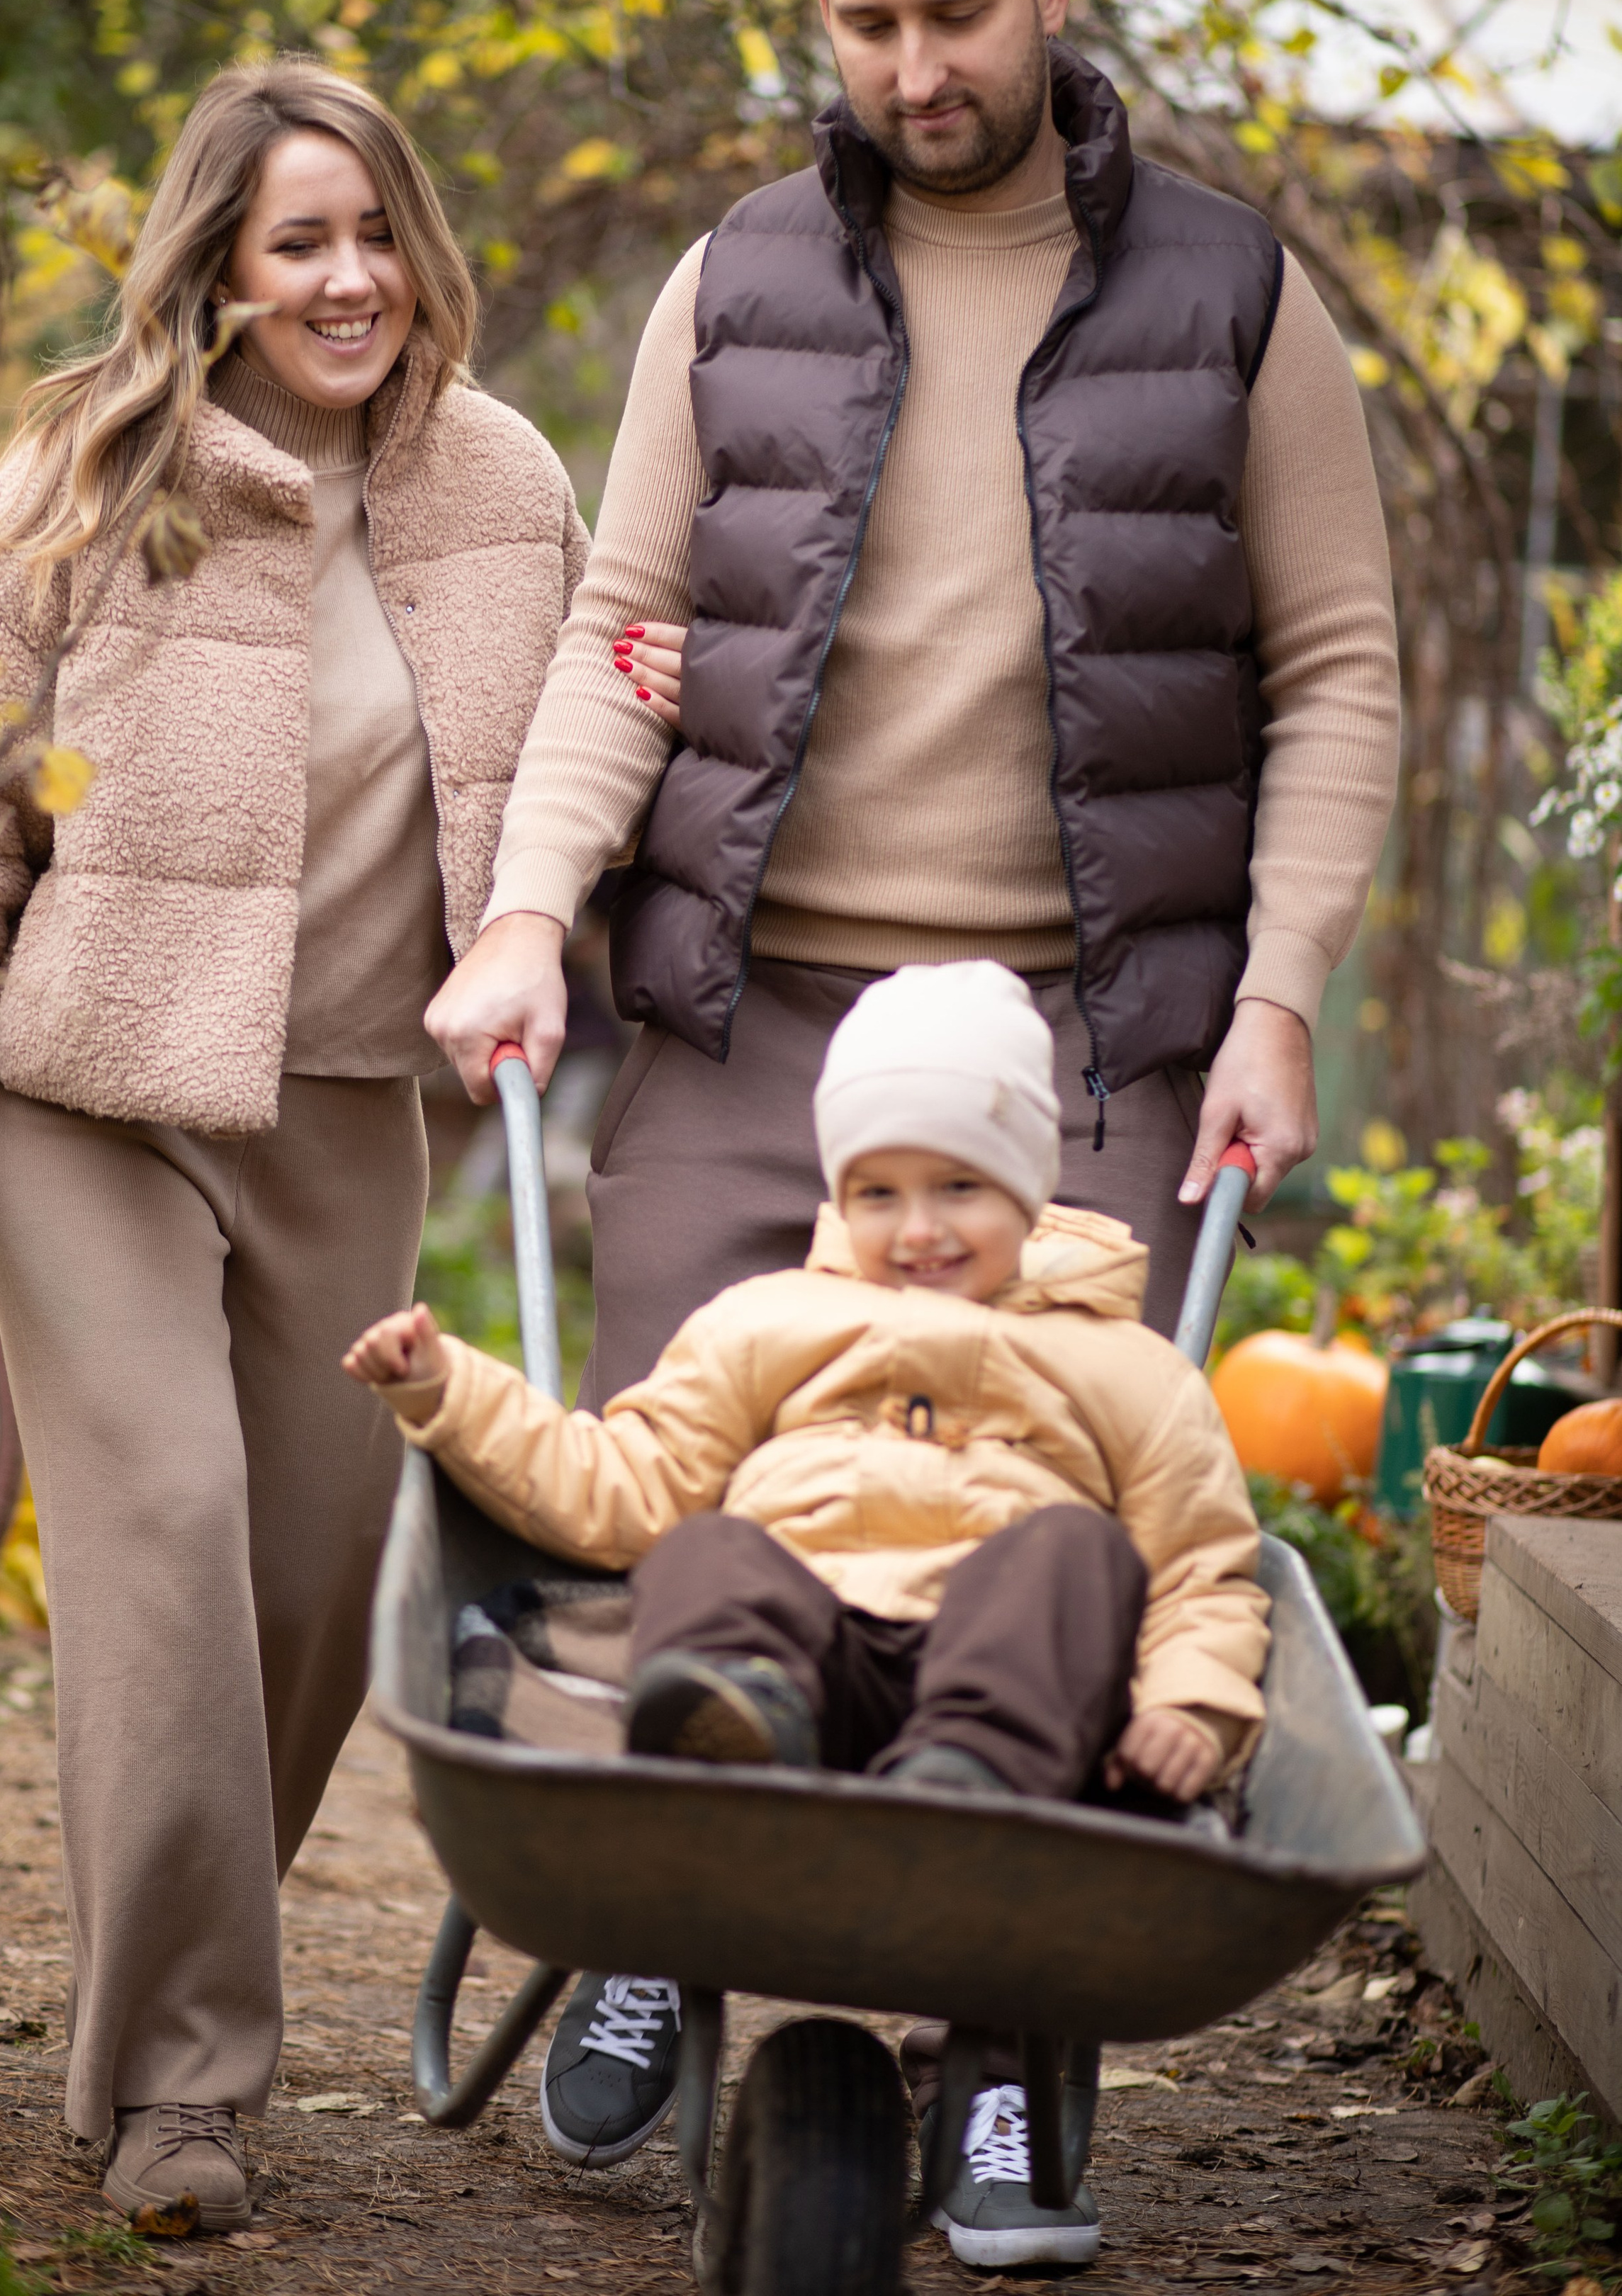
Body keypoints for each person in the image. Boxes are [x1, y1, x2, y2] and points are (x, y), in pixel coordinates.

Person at [425, 0, 1399, 2186]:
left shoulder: (1232, 296)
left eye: (954, 10)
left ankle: (999, 2044)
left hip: (1089, 1042)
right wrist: (533, 905)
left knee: (1045, 1527)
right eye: (865, 23)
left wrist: (1276, 990)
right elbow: (626, 633)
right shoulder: (736, 280)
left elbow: (1346, 667)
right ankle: (665, 1904)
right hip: (762, 1021)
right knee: (706, 1481)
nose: (910, 64)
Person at [0, 57, 587, 2234]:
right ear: (221, 277)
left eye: (372, 234)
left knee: (309, 1597)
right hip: (90, 1105)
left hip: (352, 1113)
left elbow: (582, 762)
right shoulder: (84, 483)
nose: (347, 280)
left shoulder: (504, 488)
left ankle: (152, 1995)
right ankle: (187, 2087)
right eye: (296, 244)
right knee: (162, 1538)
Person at [346, 961, 1268, 2270]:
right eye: (880, 1191)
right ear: (837, 1190)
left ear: (1031, 1184)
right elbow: (622, 1488)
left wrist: (1193, 1705)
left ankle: (971, 1824)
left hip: (999, 1687)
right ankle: (724, 1739)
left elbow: (1202, 1572)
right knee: (711, 1544)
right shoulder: (768, 1320)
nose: (921, 1227)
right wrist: (452, 1392)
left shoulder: (1124, 1368)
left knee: (1074, 1553)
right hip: (803, 1660)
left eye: (961, 1187)